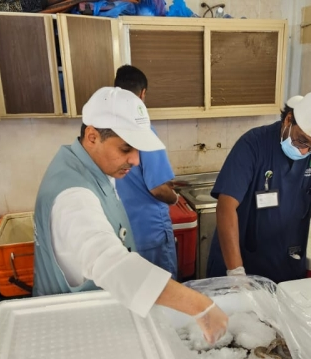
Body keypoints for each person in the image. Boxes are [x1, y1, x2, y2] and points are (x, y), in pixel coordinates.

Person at [33, 86, 227, 344]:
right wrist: (200, 305)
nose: (136, 160)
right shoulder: (74, 196)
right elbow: (108, 262)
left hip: (93, 317)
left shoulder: (89, 166)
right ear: (92, 136)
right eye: (126, 149)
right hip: (72, 332)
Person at [207, 91, 311, 287]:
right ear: (289, 120)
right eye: (302, 140)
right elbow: (226, 206)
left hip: (285, 265)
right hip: (237, 263)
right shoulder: (253, 144)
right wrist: (236, 272)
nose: (305, 150)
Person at [113, 65, 179, 278]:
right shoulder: (143, 131)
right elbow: (159, 189)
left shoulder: (107, 131)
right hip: (151, 234)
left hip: (123, 234)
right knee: (163, 294)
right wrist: (175, 197)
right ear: (142, 94)